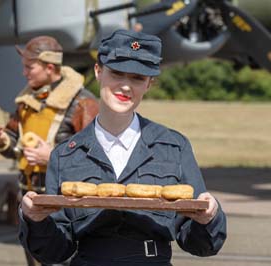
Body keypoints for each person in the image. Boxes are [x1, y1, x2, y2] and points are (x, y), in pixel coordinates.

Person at [19, 29, 227, 266]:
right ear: (98, 71)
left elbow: (201, 244)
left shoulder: (172, 147)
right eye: (117, 73)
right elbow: (55, 252)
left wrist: (209, 218)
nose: (126, 86)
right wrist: (35, 220)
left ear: (149, 83)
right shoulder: (66, 154)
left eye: (138, 78)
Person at [0, 36, 98, 265]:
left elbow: (97, 156)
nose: (25, 73)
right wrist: (1, 139)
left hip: (63, 203)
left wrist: (53, 157)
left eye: (30, 67)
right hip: (29, 198)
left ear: (49, 67)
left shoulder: (83, 103)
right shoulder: (28, 100)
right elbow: (14, 143)